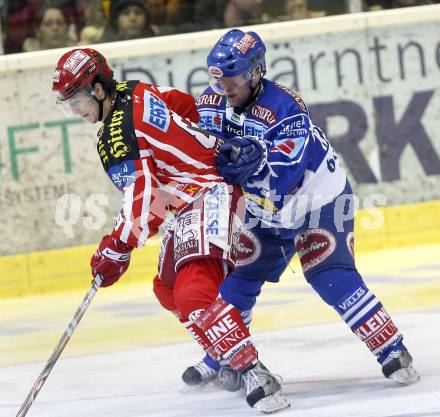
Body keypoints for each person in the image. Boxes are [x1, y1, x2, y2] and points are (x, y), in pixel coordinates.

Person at [51, 47, 290, 413]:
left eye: (77, 100)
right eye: (67, 104)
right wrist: (203, 143)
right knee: (167, 289)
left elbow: (139, 194)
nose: (75, 111)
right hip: (186, 198)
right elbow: (179, 103)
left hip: (208, 191)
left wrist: (116, 247)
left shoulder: (116, 138)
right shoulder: (134, 89)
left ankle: (254, 372)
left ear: (98, 89)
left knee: (195, 291)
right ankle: (225, 353)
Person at [182, 28, 420, 389]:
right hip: (264, 208)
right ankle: (222, 354)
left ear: (255, 72)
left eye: (232, 77)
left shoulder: (285, 108)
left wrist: (255, 160)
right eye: (218, 77)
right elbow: (200, 154)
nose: (224, 86)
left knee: (329, 275)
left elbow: (285, 178)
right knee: (243, 276)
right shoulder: (211, 104)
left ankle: (391, 349)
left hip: (317, 201)